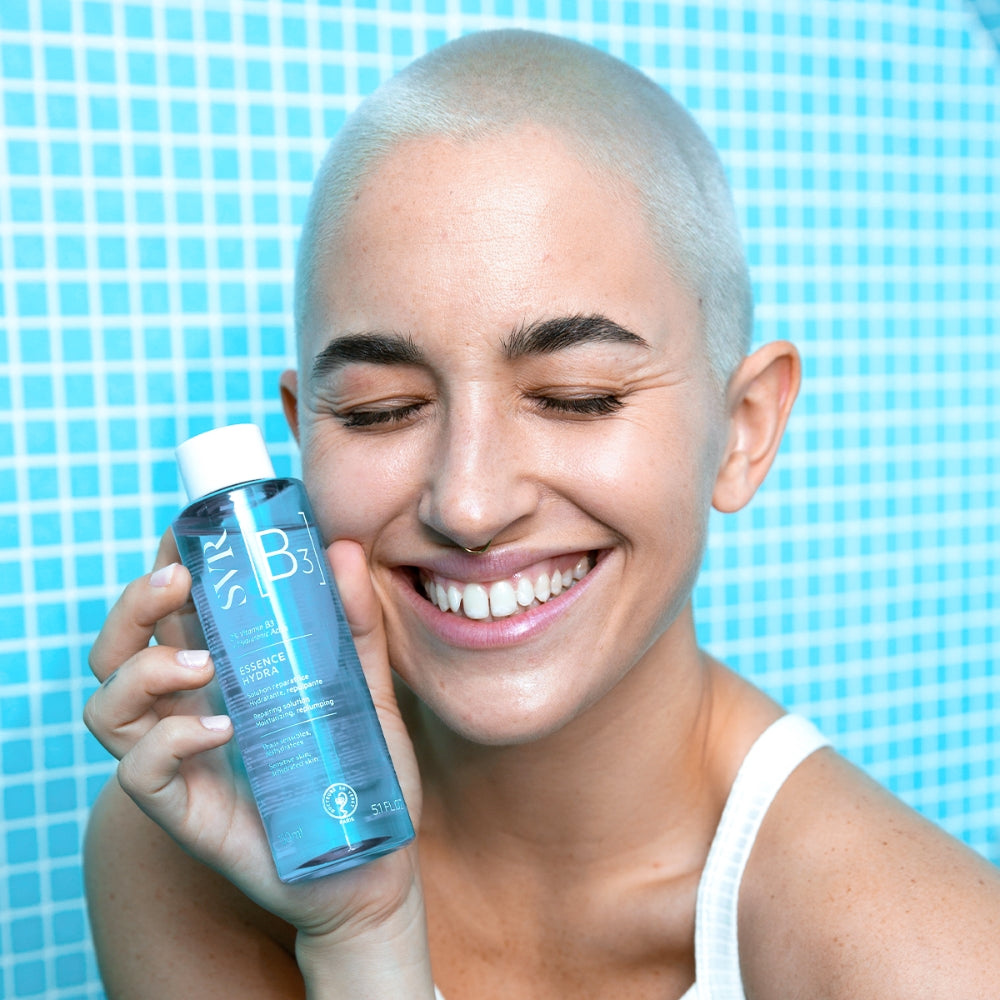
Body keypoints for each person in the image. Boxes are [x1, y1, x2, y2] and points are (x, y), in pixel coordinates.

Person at [82, 29, 1000, 1000]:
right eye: (379, 411)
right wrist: (361, 928)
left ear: (742, 429)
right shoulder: (187, 854)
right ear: (302, 439)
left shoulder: (931, 959)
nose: (469, 503)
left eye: (575, 394)